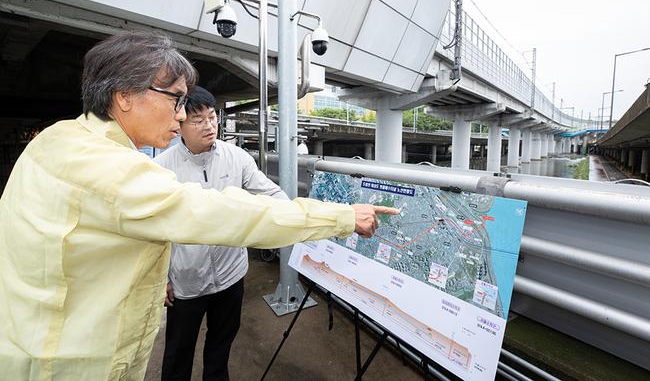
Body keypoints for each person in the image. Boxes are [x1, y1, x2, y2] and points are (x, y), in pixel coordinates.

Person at [0, 31, 399, 381]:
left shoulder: (57, 139)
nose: (181, 116)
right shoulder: (117, 170)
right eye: (176, 101)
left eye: (204, 114)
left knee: (219, 349)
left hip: (40, 340)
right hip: (76, 360)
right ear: (124, 97)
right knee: (178, 355)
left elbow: (263, 199)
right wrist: (341, 216)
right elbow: (224, 214)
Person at [155, 87, 283, 381]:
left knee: (220, 349)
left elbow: (272, 194)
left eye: (212, 117)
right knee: (177, 354)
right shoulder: (161, 169)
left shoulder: (236, 157)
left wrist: (302, 219)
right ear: (179, 124)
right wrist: (161, 279)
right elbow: (152, 232)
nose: (209, 125)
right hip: (186, 282)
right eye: (198, 120)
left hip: (230, 275)